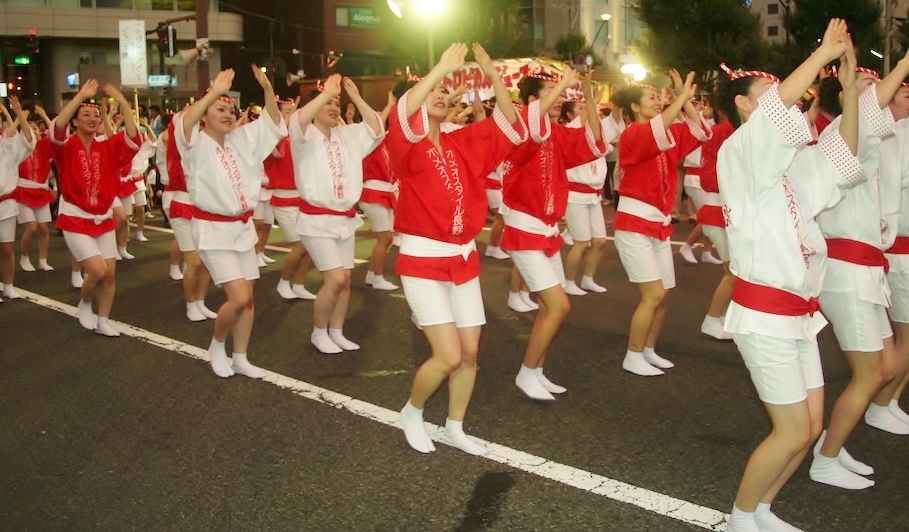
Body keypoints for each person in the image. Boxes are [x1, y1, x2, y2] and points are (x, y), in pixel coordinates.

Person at [717, 20, 862, 531]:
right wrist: (821, 53)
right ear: (744, 106)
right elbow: (780, 108)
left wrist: (847, 95)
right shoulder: (739, 154)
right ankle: (739, 516)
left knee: (810, 428)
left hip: (799, 314)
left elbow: (840, 161)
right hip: (764, 315)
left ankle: (761, 509)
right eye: (771, 95)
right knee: (791, 429)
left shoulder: (788, 164)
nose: (791, 102)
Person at [392, 42, 526, 455]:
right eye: (431, 93)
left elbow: (511, 124)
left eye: (444, 96)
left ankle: (454, 425)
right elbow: (403, 111)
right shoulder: (405, 145)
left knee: (470, 353)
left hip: (463, 258)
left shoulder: (463, 143)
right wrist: (438, 70)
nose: (439, 97)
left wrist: (492, 74)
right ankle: (412, 411)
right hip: (421, 261)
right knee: (448, 355)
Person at [809, 45, 909, 487]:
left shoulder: (860, 136)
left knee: (884, 368)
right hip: (848, 272)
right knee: (870, 374)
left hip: (865, 270)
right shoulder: (839, 137)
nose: (882, 94)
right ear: (846, 98)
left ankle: (832, 441)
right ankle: (825, 458)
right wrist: (904, 63)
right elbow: (869, 110)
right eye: (867, 88)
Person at [500, 67, 608, 400]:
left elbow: (594, 141)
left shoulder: (558, 134)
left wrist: (589, 97)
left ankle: (536, 371)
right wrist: (564, 82)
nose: (560, 96)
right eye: (551, 91)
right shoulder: (519, 127)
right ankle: (526, 373)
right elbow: (526, 126)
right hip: (524, 227)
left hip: (547, 230)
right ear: (532, 101)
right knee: (558, 305)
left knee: (551, 307)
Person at [174, 65, 287, 378]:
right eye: (218, 109)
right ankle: (216, 344)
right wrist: (211, 91)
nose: (227, 113)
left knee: (248, 299)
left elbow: (274, 123)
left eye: (230, 109)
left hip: (242, 229)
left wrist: (266, 86)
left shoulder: (241, 139)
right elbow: (183, 124)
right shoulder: (193, 144)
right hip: (212, 231)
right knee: (237, 298)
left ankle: (241, 356)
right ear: (204, 114)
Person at [613, 71, 711, 377]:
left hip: (658, 223)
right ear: (634, 107)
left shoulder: (664, 133)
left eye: (659, 97)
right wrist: (680, 98)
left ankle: (648, 350)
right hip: (634, 223)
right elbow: (656, 130)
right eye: (651, 98)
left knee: (664, 293)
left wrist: (686, 99)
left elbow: (702, 131)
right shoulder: (631, 134)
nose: (658, 101)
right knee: (653, 294)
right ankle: (633, 355)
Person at [289, 74, 384, 354]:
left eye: (336, 103)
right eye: (327, 103)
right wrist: (323, 93)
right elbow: (295, 121)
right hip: (315, 221)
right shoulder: (304, 137)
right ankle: (319, 332)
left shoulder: (347, 135)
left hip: (344, 219)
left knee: (346, 282)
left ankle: (337, 331)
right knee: (336, 279)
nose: (334, 107)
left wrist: (355, 97)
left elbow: (377, 128)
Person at [51, 80, 143, 335]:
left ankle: (104, 320)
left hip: (102, 218)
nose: (92, 119)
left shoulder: (108, 146)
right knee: (98, 271)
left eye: (96, 115)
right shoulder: (66, 146)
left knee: (110, 275)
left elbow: (134, 138)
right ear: (75, 121)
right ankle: (85, 302)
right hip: (74, 218)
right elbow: (57, 128)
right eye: (85, 115)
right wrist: (81, 95)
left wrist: (123, 102)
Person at [265, 97, 316, 301]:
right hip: (283, 200)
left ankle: (299, 284)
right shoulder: (273, 140)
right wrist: (287, 119)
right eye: (285, 112)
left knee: (311, 246)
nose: (290, 115)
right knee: (301, 246)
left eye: (292, 111)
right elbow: (275, 142)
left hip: (302, 199)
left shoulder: (300, 140)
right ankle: (283, 282)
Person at [0, 96, 36, 302]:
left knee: (6, 248)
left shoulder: (8, 145)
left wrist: (19, 114)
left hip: (5, 204)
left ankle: (8, 285)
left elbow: (28, 142)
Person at [16, 104, 54, 273]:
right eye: (29, 129)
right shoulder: (19, 149)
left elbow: (55, 134)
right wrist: (19, 118)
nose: (33, 132)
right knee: (31, 227)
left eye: (35, 129)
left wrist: (44, 114)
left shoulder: (44, 148)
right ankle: (24, 257)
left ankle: (42, 260)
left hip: (41, 192)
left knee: (43, 228)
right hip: (23, 191)